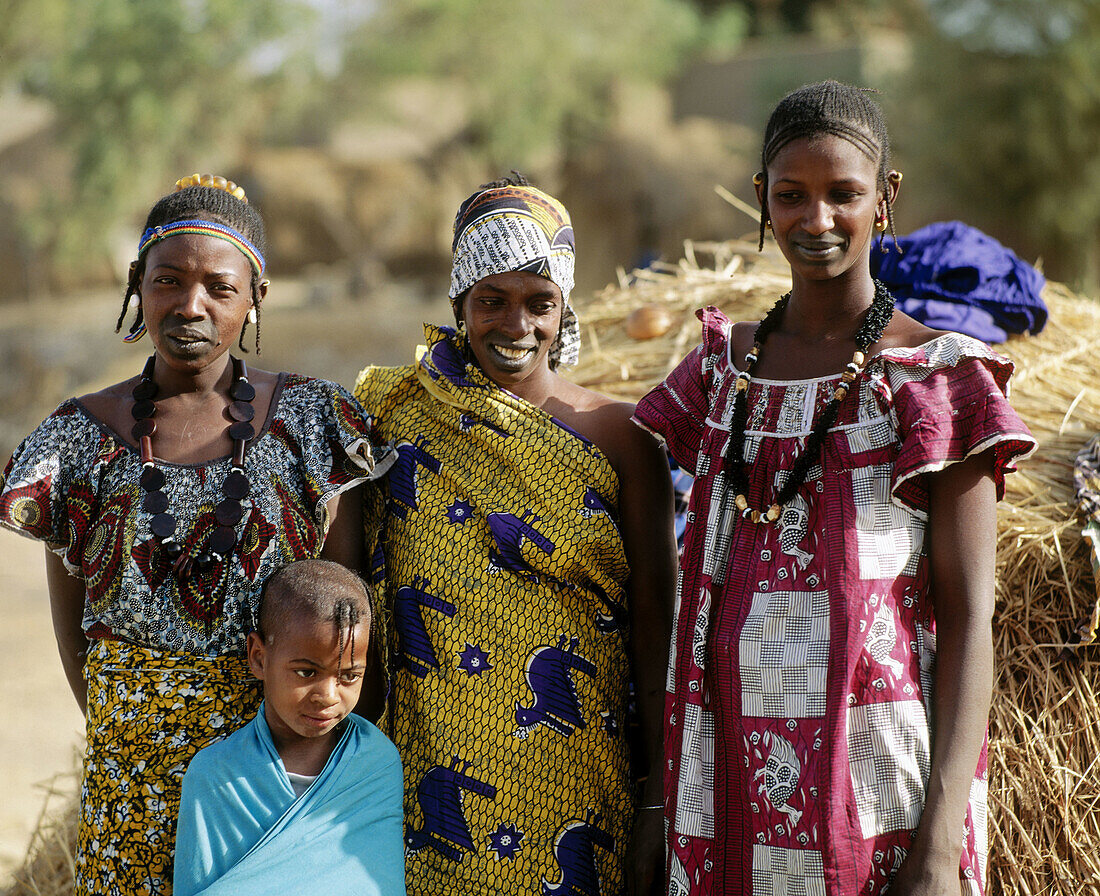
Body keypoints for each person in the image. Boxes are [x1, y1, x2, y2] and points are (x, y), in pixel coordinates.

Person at [633, 81, 1036, 896]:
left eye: (843, 194)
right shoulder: (718, 375)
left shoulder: (934, 383)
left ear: (885, 199)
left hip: (877, 802)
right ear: (761, 200)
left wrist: (938, 841)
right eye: (792, 196)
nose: (816, 220)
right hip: (721, 798)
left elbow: (967, 621)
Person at [0, 174, 392, 895]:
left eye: (218, 286)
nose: (191, 304)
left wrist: (315, 753)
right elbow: (74, 616)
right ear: (136, 286)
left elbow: (350, 604)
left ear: (257, 296)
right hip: (131, 773)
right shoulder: (75, 439)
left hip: (276, 764)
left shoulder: (312, 423)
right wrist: (127, 722)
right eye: (168, 281)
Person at [354, 175, 676, 895]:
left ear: (565, 308)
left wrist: (658, 796)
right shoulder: (400, 415)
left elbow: (657, 623)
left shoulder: (622, 434)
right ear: (458, 306)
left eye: (538, 302)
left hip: (580, 779)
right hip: (440, 780)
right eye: (490, 301)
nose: (515, 324)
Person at [173, 559, 405, 896]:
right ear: (258, 657)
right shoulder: (215, 774)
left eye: (349, 676)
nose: (327, 696)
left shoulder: (374, 761)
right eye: (306, 673)